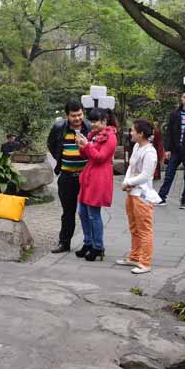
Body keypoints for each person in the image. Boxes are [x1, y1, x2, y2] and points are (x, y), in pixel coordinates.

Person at [46, 100, 92, 253]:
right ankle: (64, 243)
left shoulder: (89, 127)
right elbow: (51, 144)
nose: (78, 118)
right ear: (67, 116)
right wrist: (62, 158)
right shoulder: (59, 128)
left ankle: (91, 244)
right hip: (67, 176)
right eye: (74, 116)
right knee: (68, 212)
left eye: (80, 114)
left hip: (87, 177)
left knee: (90, 212)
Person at [75, 109, 117, 261]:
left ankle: (98, 246)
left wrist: (87, 146)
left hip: (99, 177)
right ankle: (88, 242)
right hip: (89, 175)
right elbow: (87, 155)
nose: (92, 124)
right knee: (82, 212)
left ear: (105, 121)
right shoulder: (94, 136)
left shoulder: (110, 137)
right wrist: (81, 146)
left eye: (96, 121)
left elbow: (100, 157)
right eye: (91, 121)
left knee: (93, 214)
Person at [119, 119, 161, 273]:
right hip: (132, 192)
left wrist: (128, 182)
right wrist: (126, 182)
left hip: (143, 195)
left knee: (144, 229)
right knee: (134, 226)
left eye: (132, 130)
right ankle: (135, 256)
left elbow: (146, 175)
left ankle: (145, 262)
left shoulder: (150, 152)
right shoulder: (137, 146)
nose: (130, 133)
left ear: (141, 133)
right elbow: (131, 167)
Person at [157, 89, 185, 209]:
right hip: (175, 150)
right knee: (169, 174)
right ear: (181, 99)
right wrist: (167, 149)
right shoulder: (175, 114)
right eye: (184, 97)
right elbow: (169, 133)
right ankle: (161, 197)